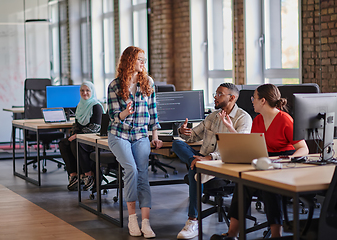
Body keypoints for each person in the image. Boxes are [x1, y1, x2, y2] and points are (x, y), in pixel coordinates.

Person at [210, 83, 309, 240]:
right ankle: (232, 234)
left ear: (263, 101)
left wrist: (282, 162)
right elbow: (251, 144)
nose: (252, 101)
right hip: (266, 162)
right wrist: (230, 128)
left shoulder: (285, 120)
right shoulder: (258, 120)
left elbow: (303, 149)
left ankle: (277, 235)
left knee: (270, 184)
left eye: (253, 98)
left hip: (285, 164)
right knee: (242, 183)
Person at [172, 83, 253, 239]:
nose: (215, 97)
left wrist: (210, 158)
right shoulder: (213, 116)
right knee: (177, 144)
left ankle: (193, 220)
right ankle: (196, 162)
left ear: (232, 98)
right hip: (203, 159)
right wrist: (182, 132)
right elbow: (193, 136)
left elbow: (238, 147)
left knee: (195, 168)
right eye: (215, 94)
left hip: (223, 165)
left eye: (219, 94)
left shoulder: (243, 119)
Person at [107, 46, 163, 239]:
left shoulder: (148, 82)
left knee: (142, 174)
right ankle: (132, 218)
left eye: (144, 60)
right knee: (130, 169)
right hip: (119, 134)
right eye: (140, 59)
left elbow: (153, 112)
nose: (143, 63)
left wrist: (155, 136)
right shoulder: (115, 85)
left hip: (140, 135)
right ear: (129, 61)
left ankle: (146, 222)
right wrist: (125, 113)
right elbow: (114, 116)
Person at [58, 81, 104, 191]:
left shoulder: (96, 106)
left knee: (75, 142)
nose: (85, 93)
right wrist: (73, 134)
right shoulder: (80, 105)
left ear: (92, 92)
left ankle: (89, 175)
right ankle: (74, 176)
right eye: (82, 90)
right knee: (63, 143)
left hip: (93, 139)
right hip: (80, 137)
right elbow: (76, 123)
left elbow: (96, 127)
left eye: (88, 90)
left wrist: (78, 136)